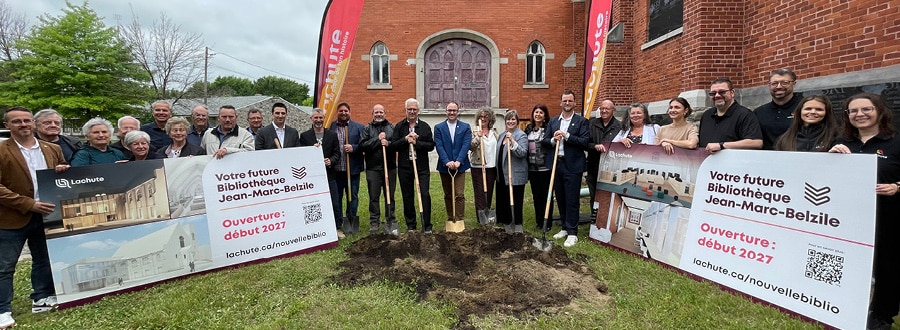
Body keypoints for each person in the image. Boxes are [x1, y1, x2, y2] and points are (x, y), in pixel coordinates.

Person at [827, 93, 900, 330]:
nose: (860, 114)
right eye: (853, 111)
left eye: (866, 109)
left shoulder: (896, 142)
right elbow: (824, 178)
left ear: (879, 111)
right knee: (850, 262)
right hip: (847, 216)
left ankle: (881, 315)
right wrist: (829, 160)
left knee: (886, 268)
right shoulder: (841, 143)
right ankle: (844, 307)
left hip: (887, 217)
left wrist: (898, 187)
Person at [0, 107, 69, 329]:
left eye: (26, 120)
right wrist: (29, 204)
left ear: (33, 124)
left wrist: (63, 171)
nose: (23, 124)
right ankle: (2, 309)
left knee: (43, 259)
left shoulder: (53, 148)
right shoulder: (1, 150)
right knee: (4, 266)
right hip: (12, 217)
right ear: (7, 125)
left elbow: (61, 178)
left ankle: (42, 296)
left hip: (47, 214)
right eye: (16, 121)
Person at [543, 89, 590, 247]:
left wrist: (567, 136)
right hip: (557, 163)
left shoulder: (582, 121)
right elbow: (544, 141)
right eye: (565, 101)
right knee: (560, 197)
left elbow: (584, 142)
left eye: (570, 101)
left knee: (572, 199)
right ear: (560, 102)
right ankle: (564, 226)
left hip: (573, 165)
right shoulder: (554, 121)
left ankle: (572, 232)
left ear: (574, 103)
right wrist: (552, 139)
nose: (567, 103)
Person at [390, 98, 435, 233]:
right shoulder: (399, 126)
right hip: (405, 167)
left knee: (425, 194)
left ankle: (426, 225)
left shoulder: (424, 127)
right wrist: (405, 139)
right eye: (409, 109)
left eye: (414, 109)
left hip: (421, 167)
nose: (412, 111)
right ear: (405, 110)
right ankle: (411, 225)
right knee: (407, 195)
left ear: (418, 111)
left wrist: (417, 142)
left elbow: (431, 146)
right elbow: (393, 145)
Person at [299, 109, 343, 238]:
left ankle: (336, 227)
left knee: (334, 202)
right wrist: (311, 153)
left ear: (324, 118)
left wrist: (330, 161)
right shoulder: (305, 136)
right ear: (311, 119)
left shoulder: (332, 135)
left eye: (320, 118)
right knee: (314, 203)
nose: (318, 120)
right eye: (316, 118)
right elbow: (301, 155)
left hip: (329, 175)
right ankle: (316, 228)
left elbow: (337, 153)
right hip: (313, 177)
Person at [359, 104, 398, 235]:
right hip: (373, 169)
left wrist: (388, 143)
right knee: (374, 197)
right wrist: (377, 139)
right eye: (376, 112)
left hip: (390, 167)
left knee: (390, 196)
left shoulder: (391, 128)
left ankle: (390, 220)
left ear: (385, 113)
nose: (379, 114)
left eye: (381, 112)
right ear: (372, 113)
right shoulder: (367, 129)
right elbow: (362, 146)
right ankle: (374, 222)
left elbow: (397, 145)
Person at [698, 77, 763, 153]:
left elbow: (756, 143)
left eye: (722, 92)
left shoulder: (745, 115)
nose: (717, 95)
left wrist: (722, 145)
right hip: (707, 163)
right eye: (713, 93)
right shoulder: (707, 115)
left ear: (732, 93)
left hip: (734, 163)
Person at [434, 102, 472, 228]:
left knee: (459, 194)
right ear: (446, 111)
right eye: (449, 110)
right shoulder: (439, 127)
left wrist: (458, 161)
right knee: (448, 194)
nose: (452, 113)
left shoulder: (465, 127)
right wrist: (446, 161)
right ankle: (451, 218)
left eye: (454, 110)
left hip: (460, 166)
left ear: (458, 112)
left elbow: (466, 145)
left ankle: (460, 219)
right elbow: (439, 146)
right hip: (445, 166)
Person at [330, 102, 365, 234]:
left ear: (349, 112)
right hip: (336, 170)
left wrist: (354, 147)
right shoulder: (331, 127)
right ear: (337, 112)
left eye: (346, 111)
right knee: (337, 197)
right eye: (341, 111)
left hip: (352, 169)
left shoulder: (359, 127)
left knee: (353, 196)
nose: (343, 113)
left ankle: (351, 219)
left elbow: (364, 144)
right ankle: (338, 222)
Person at [586, 99, 622, 224]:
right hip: (593, 166)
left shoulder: (619, 127)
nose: (604, 111)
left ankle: (607, 222)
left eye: (607, 108)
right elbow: (585, 142)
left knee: (608, 197)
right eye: (602, 108)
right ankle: (594, 221)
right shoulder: (592, 124)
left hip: (611, 168)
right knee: (594, 196)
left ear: (613, 110)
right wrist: (595, 146)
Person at [495, 110, 528, 233]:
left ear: (517, 122)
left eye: (513, 119)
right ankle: (507, 223)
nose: (510, 121)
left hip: (515, 175)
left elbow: (522, 153)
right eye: (508, 119)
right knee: (504, 200)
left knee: (516, 200)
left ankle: (517, 225)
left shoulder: (521, 135)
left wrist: (513, 141)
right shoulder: (502, 135)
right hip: (502, 175)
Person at [755, 68, 803, 150]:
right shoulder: (758, 113)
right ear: (769, 85)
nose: (779, 86)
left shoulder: (805, 109)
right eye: (774, 83)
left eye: (784, 83)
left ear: (794, 84)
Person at [525, 104, 555, 232]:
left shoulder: (549, 129)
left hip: (546, 168)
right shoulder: (528, 129)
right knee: (536, 196)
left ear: (544, 116)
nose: (538, 115)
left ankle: (547, 222)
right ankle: (539, 221)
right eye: (536, 112)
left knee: (546, 196)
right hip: (533, 169)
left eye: (541, 113)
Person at [773, 95, 838, 152]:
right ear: (800, 111)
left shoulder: (836, 137)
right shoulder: (784, 139)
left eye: (819, 109)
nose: (813, 112)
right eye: (808, 109)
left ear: (827, 113)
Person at [469, 107, 498, 223]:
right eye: (481, 116)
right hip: (478, 166)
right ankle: (481, 218)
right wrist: (478, 137)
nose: (484, 118)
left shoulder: (494, 132)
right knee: (480, 192)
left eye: (486, 116)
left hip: (492, 167)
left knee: (489, 191)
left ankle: (488, 213)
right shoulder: (474, 131)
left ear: (490, 118)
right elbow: (470, 147)